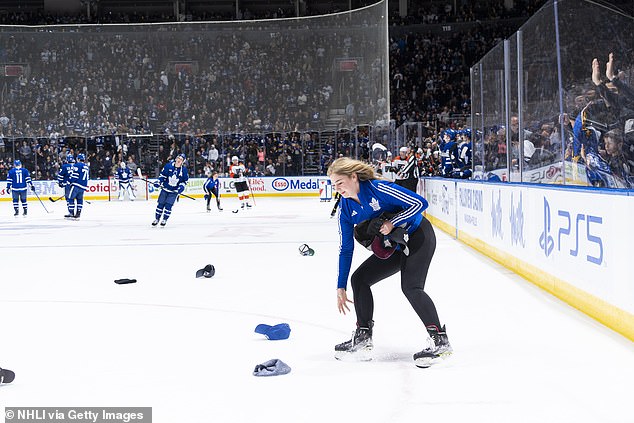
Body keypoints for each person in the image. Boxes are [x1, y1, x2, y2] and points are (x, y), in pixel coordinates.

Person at [327, 157, 452, 368]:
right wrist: (341, 285)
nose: (337, 188)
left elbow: (421, 203)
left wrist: (391, 222)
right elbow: (345, 249)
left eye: (340, 182)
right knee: (359, 279)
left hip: (418, 235)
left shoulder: (378, 188)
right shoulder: (345, 210)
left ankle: (440, 341)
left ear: (354, 177)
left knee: (411, 287)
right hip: (393, 245)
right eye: (333, 185)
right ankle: (363, 336)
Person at [152, 153, 189, 227]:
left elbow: (184, 182)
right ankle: (157, 219)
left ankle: (164, 219)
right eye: (178, 158)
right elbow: (162, 176)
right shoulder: (168, 166)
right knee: (160, 205)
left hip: (173, 192)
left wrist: (180, 188)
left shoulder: (184, 170)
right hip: (165, 190)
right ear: (176, 158)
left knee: (168, 206)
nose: (179, 160)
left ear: (183, 162)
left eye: (181, 160)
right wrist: (158, 182)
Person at [67, 153, 89, 219]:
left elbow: (75, 176)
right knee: (79, 199)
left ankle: (71, 213)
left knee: (70, 198)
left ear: (78, 159)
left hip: (76, 185)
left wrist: (70, 181)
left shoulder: (77, 165)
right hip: (83, 186)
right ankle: (78, 213)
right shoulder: (86, 167)